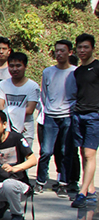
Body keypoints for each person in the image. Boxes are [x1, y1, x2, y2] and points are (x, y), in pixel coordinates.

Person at [36, 40, 77, 194]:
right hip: (51, 116)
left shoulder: (75, 72)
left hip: (68, 115)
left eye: (62, 51)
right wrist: (49, 108)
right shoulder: (48, 72)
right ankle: (40, 181)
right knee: (46, 151)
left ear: (70, 53)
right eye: (57, 51)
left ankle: (64, 182)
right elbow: (44, 94)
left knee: (66, 150)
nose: (59, 54)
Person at [72, 33, 99, 208]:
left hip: (94, 116)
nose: (82, 50)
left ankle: (82, 193)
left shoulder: (97, 67)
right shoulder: (78, 71)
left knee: (90, 154)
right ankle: (90, 189)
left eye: (86, 47)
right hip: (78, 114)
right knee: (83, 153)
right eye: (80, 47)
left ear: (93, 49)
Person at [0, 52, 39, 144]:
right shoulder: (2, 85)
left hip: (26, 130)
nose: (15, 69)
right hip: (6, 130)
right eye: (12, 66)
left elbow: (30, 110)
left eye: (18, 66)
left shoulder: (32, 86)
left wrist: (9, 111)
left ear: (25, 66)